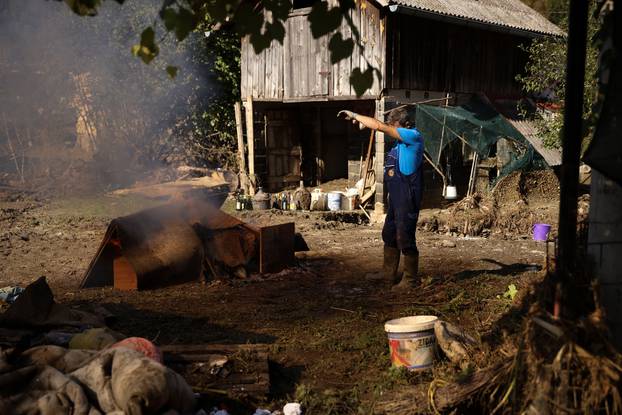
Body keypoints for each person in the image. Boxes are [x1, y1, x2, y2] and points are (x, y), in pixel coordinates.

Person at [338, 108, 424, 289]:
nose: (391, 129)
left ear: (405, 125)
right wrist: (363, 123)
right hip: (396, 196)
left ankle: (410, 279)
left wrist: (355, 115)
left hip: (407, 196)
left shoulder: (412, 136)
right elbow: (380, 126)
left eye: (394, 126)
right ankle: (388, 273)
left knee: (405, 235)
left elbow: (379, 126)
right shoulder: (399, 145)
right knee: (390, 232)